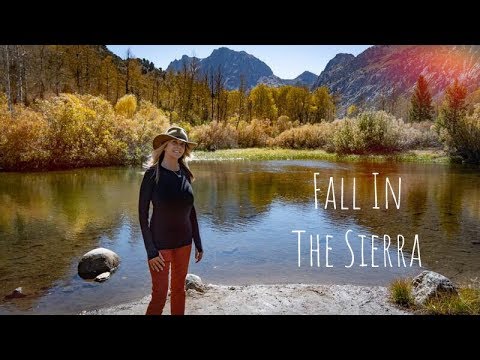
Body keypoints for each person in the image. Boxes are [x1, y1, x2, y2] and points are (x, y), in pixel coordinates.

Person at [138, 126, 203, 315]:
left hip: (184, 243)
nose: (178, 147)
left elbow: (191, 211)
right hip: (160, 247)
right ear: (165, 146)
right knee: (159, 295)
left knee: (179, 292)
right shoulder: (152, 174)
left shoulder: (185, 174)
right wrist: (151, 251)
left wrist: (198, 242)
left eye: (182, 144)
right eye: (174, 142)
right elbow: (142, 215)